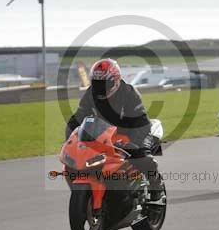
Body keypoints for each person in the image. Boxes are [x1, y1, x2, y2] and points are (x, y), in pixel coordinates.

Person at [66, 58, 163, 200]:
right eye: (97, 84)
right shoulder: (90, 94)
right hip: (107, 134)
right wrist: (70, 140)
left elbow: (140, 121)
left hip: (136, 130)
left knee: (141, 155)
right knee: (77, 161)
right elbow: (78, 118)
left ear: (116, 80)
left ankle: (157, 188)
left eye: (105, 84)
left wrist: (134, 143)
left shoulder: (129, 92)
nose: (100, 88)